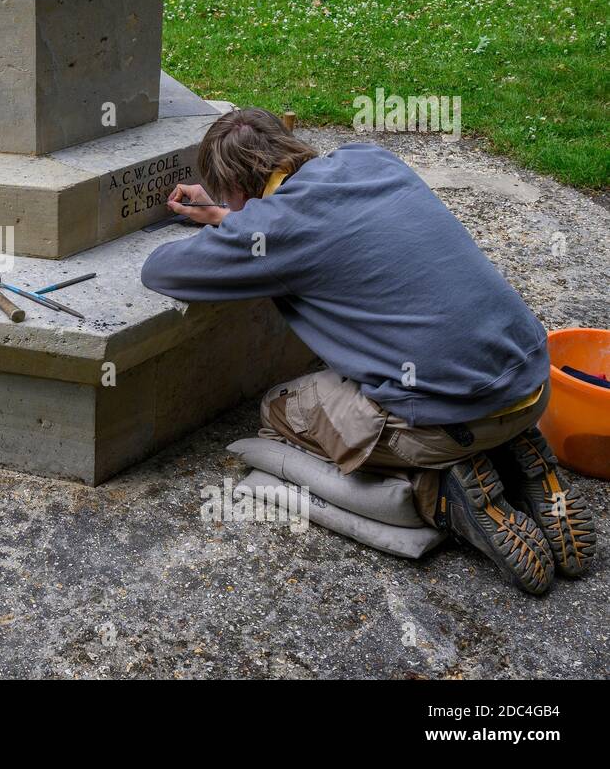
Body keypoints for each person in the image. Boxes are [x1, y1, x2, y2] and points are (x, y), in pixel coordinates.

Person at [140, 108, 596, 594]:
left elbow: (161, 271)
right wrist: (233, 213)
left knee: (279, 413)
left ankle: (442, 494)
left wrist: (235, 225)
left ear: (236, 187)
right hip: (531, 380)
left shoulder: (275, 228)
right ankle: (514, 452)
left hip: (449, 422)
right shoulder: (370, 159)